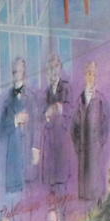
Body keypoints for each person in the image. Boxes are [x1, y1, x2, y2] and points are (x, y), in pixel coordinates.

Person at [0, 57, 37, 196]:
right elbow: (2, 131)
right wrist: (15, 120)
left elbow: (35, 126)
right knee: (15, 196)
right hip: (13, 155)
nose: (17, 73)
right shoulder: (6, 101)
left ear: (24, 72)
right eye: (14, 71)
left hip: (27, 151)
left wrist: (35, 148)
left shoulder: (31, 97)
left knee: (30, 194)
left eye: (20, 70)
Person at [71, 59, 108, 202]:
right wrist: (79, 146)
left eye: (93, 74)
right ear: (84, 76)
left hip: (96, 155)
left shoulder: (101, 100)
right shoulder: (78, 103)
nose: (91, 77)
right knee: (86, 195)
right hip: (84, 156)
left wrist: (99, 142)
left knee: (97, 193)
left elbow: (106, 124)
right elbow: (74, 128)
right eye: (88, 74)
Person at [40, 54, 73, 196]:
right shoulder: (45, 92)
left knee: (62, 186)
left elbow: (70, 109)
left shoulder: (66, 87)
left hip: (61, 143)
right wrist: (46, 114)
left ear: (60, 68)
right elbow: (40, 117)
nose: (54, 70)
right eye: (51, 67)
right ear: (47, 71)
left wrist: (59, 107)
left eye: (56, 66)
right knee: (51, 188)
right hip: (49, 145)